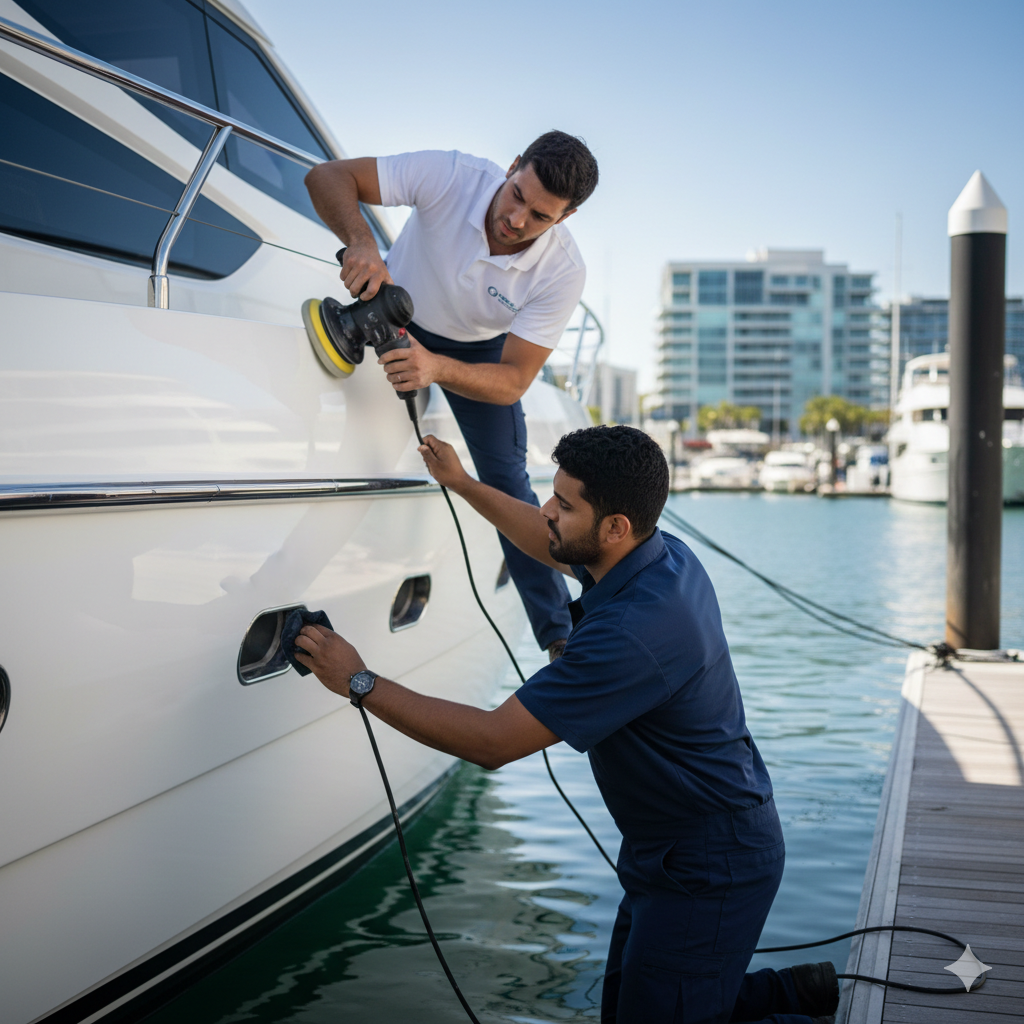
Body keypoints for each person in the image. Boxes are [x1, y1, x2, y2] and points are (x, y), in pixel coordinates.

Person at [293, 425, 841, 1024]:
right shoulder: (658, 555)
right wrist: (462, 482)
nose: (548, 511)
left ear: (615, 527)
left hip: (711, 861)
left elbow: (493, 741)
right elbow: (545, 538)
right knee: (636, 1008)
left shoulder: (634, 631)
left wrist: (359, 681)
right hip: (671, 846)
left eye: (565, 504)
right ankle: (797, 992)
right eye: (552, 495)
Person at [305, 130, 599, 660]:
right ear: (512, 166)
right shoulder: (452, 174)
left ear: (566, 217)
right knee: (350, 450)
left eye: (540, 217)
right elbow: (327, 176)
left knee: (508, 482)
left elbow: (514, 381)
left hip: (479, 350)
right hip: (396, 308)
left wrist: (436, 368)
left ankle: (559, 639)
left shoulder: (563, 271)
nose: (517, 220)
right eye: (517, 196)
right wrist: (363, 242)